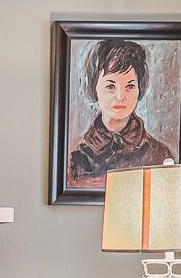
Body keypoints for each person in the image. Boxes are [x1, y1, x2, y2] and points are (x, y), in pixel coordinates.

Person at [67, 38, 173, 184]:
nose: (121, 96)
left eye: (130, 86)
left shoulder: (159, 154)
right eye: (110, 87)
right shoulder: (76, 155)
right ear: (94, 88)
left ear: (139, 89)